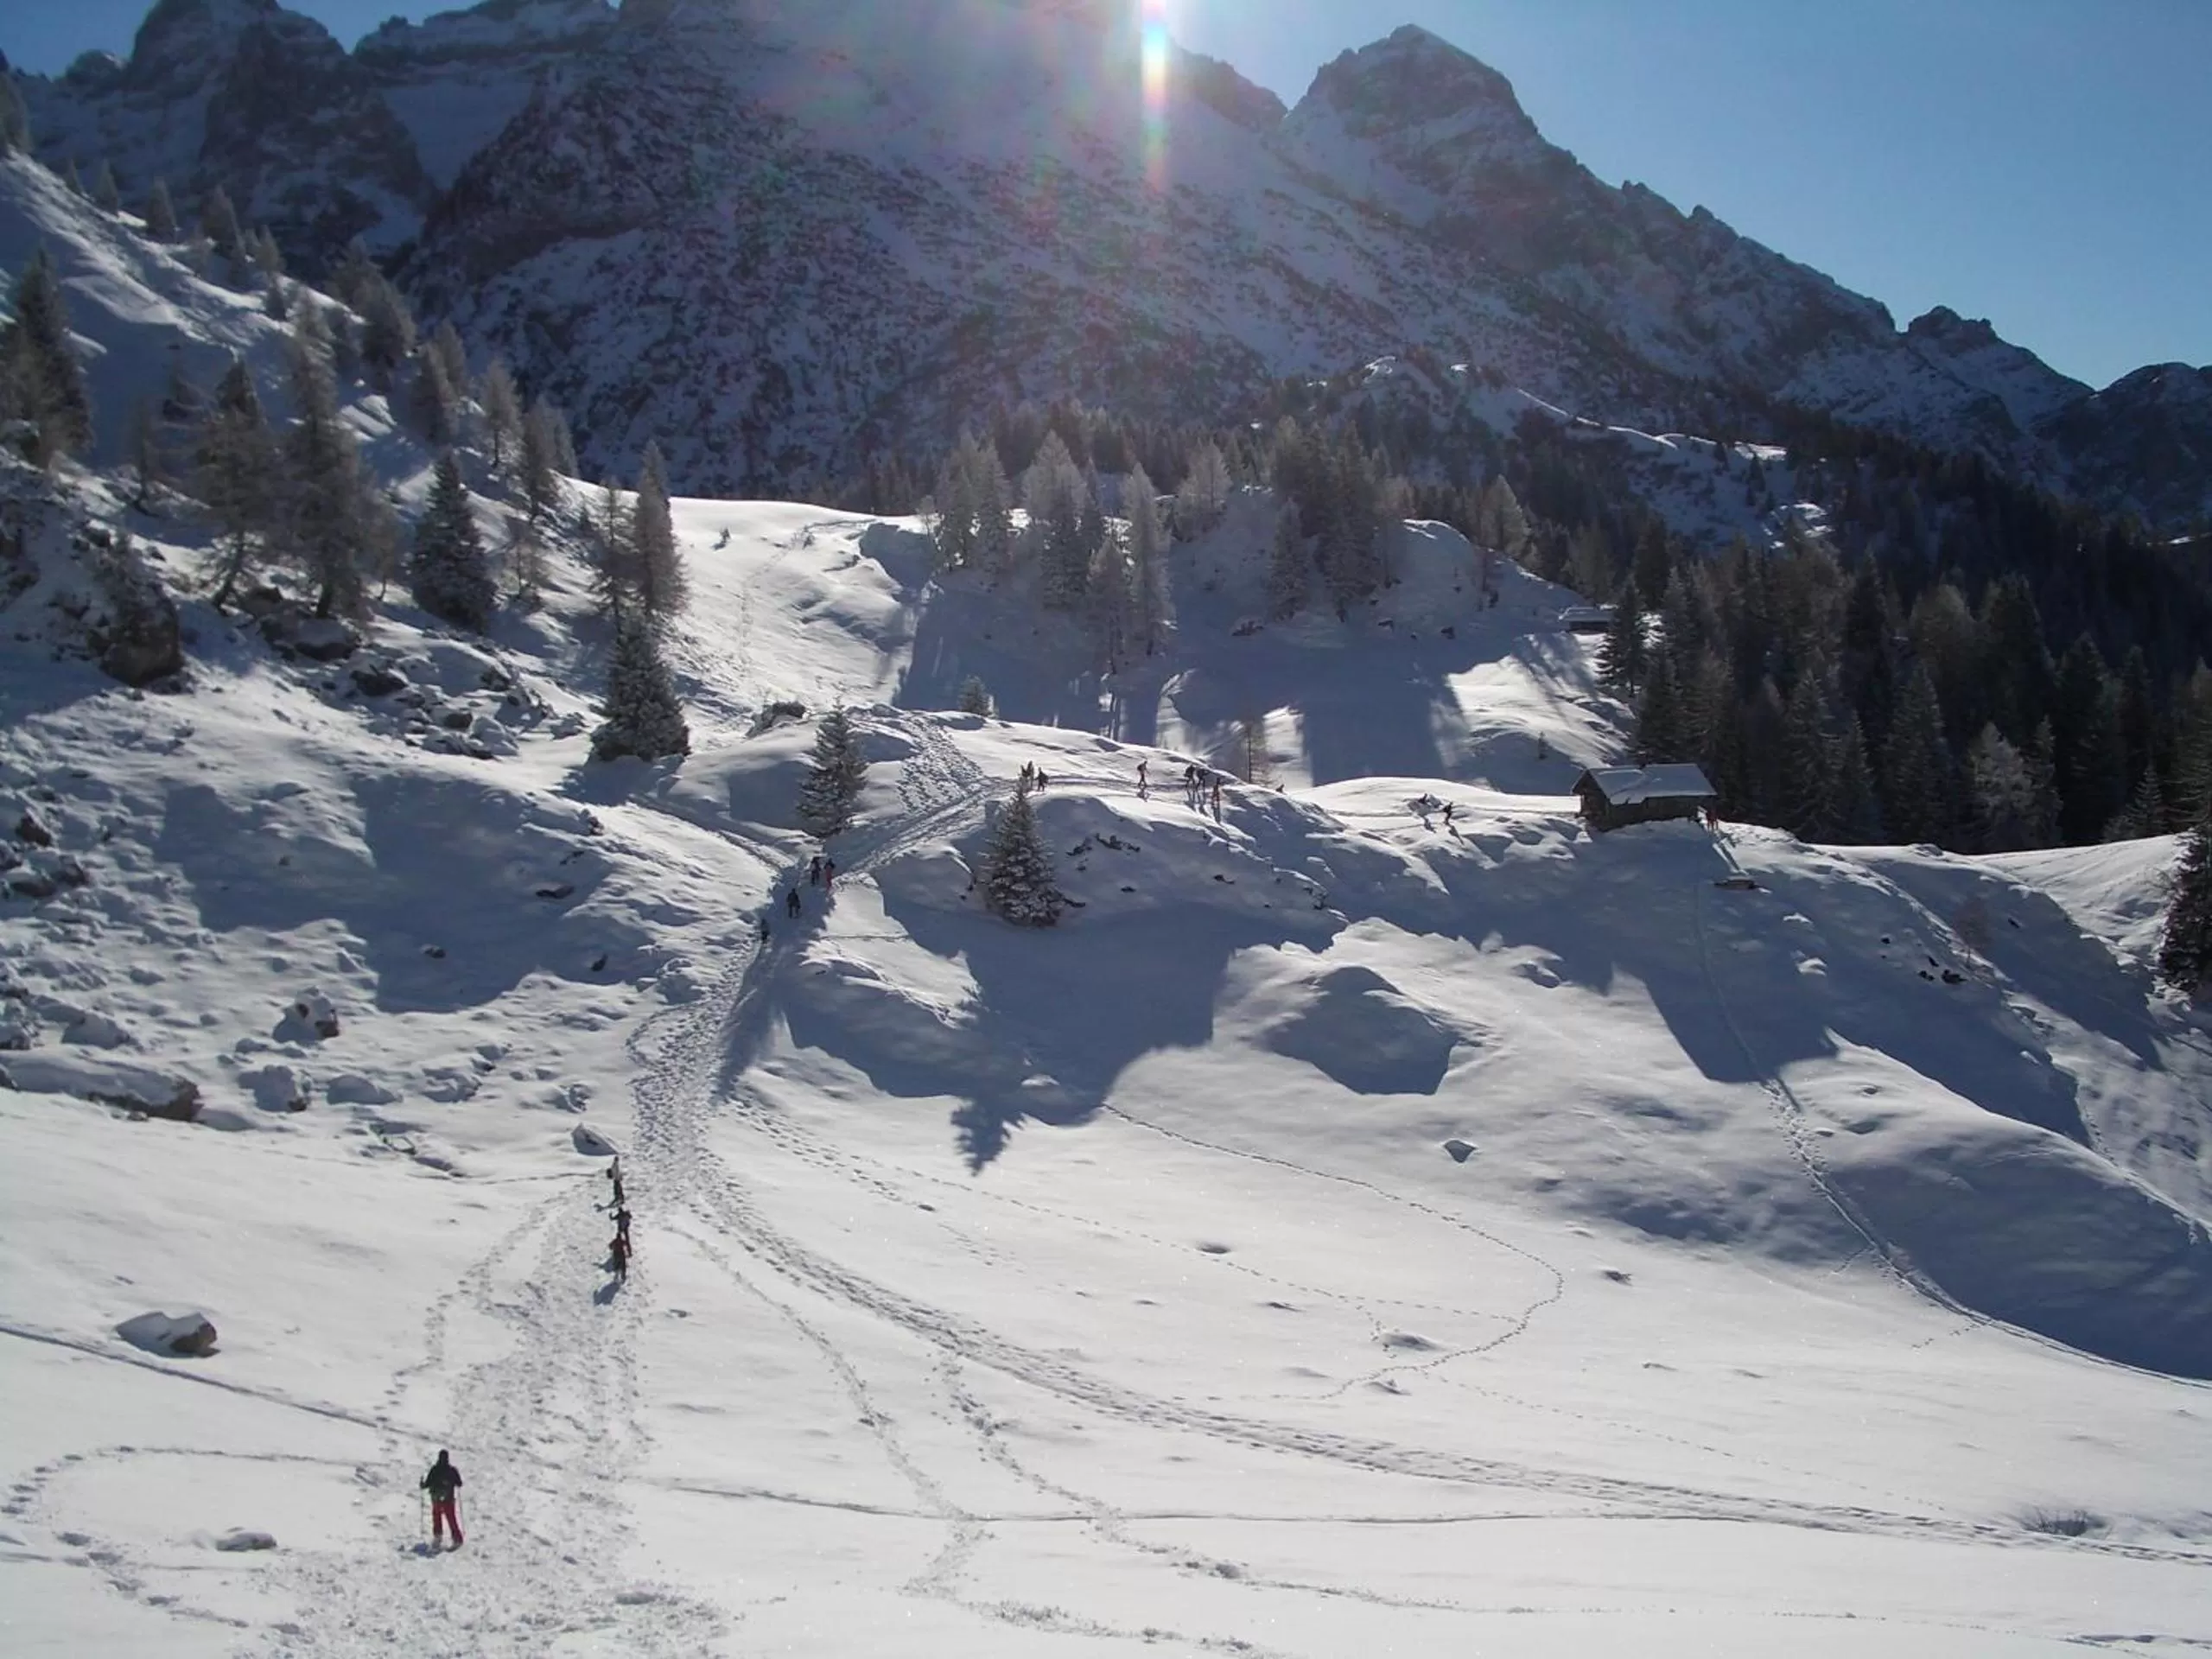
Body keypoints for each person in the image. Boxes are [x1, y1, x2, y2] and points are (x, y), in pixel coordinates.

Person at [421, 1451, 463, 1548]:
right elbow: (459, 1484)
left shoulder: (435, 1469)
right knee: (451, 1518)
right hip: (448, 1499)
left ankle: (438, 1536)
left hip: (436, 1499)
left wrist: (422, 1484)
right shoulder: (452, 1470)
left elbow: (427, 1484)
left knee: (437, 1516)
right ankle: (457, 1539)